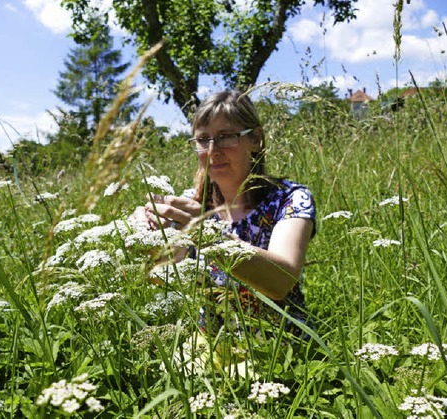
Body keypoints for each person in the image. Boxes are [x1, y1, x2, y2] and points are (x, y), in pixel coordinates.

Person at [134, 90, 316, 338]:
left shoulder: (289, 199)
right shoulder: (191, 203)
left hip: (283, 350)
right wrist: (147, 239)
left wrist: (208, 235)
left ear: (255, 139)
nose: (212, 150)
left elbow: (281, 282)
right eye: (202, 140)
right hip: (212, 349)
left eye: (226, 137)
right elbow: (163, 278)